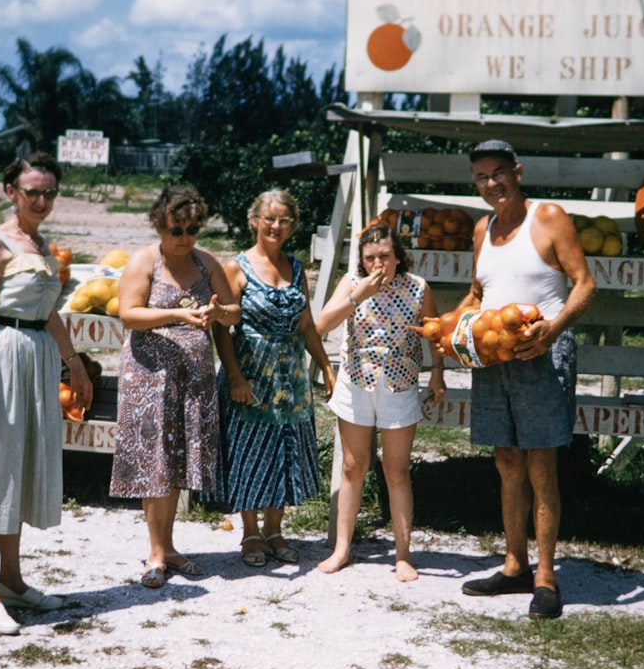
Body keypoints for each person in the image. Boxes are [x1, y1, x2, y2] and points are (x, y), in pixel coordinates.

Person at [0, 152, 93, 635]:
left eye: (50, 192)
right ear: (11, 192)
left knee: (21, 466)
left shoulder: (43, 245)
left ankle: (11, 578)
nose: (42, 200)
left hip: (38, 359)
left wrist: (74, 365)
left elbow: (49, 313)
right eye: (33, 192)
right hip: (3, 360)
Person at [456, 139, 597, 619]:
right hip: (495, 356)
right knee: (507, 461)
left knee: (542, 467)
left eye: (498, 173)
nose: (491, 184)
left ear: (517, 172)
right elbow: (477, 292)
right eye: (481, 177)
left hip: (543, 353)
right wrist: (453, 330)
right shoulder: (482, 229)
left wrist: (552, 330)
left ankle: (546, 577)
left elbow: (585, 283)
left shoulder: (549, 216)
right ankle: (515, 564)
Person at [109, 185, 240, 588]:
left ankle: (169, 547)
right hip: (150, 376)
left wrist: (219, 312)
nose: (184, 237)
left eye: (192, 229)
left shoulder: (205, 262)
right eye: (176, 229)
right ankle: (154, 552)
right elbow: (129, 314)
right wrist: (178, 316)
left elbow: (234, 312)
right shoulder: (144, 261)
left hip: (192, 378)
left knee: (178, 460)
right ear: (160, 226)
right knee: (155, 462)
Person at [315, 223, 446, 582]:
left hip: (399, 385)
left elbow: (434, 333)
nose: (377, 264)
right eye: (370, 258)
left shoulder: (417, 287)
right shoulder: (351, 284)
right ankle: (342, 549)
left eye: (385, 257)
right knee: (354, 467)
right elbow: (321, 324)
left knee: (396, 470)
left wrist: (438, 373)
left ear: (398, 257)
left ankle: (403, 555)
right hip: (357, 383)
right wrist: (358, 295)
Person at [212, 190, 336, 567]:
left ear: (293, 226)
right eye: (269, 218)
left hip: (290, 377)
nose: (276, 226)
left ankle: (274, 529)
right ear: (254, 221)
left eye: (284, 220)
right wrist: (234, 376)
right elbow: (222, 329)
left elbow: (307, 324)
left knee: (284, 450)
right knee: (249, 450)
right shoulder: (235, 268)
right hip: (250, 372)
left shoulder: (296, 269)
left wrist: (326, 367)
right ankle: (249, 533)